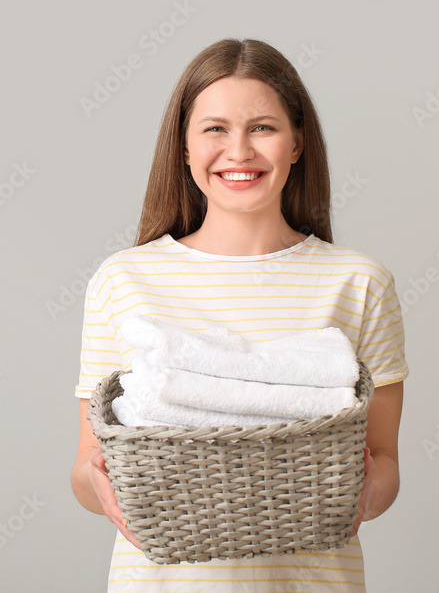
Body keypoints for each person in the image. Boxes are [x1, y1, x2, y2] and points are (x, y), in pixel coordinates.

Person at [70, 37, 408, 592]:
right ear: (183, 147)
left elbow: (386, 461)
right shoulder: (124, 280)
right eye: (215, 129)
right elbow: (87, 466)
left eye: (263, 128)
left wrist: (363, 493)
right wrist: (100, 485)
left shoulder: (359, 282)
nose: (239, 151)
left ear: (297, 143)